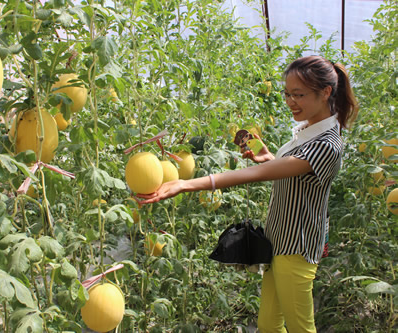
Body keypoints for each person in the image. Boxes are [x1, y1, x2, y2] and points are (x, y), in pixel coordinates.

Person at [137, 55, 359, 332]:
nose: (290, 101)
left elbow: (257, 175)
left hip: (297, 247)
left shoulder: (326, 144)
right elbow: (290, 173)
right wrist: (268, 157)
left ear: (326, 92)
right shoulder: (308, 131)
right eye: (287, 93)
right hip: (277, 241)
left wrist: (186, 184)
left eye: (299, 94)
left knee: (301, 328)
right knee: (268, 325)